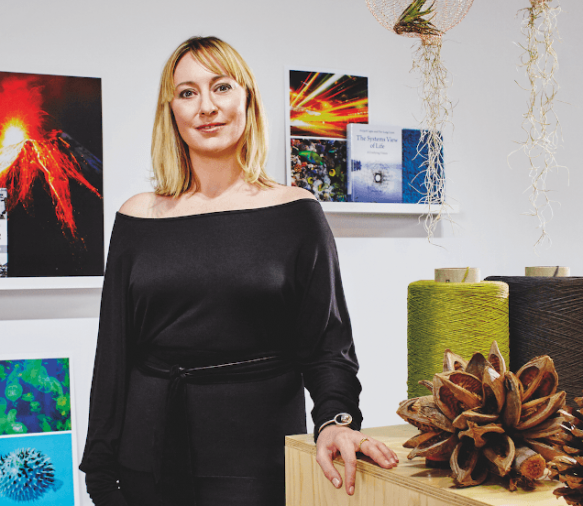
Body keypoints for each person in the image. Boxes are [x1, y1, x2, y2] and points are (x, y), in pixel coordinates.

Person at [80, 36, 397, 506]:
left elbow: (328, 344)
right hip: (148, 455)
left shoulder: (296, 211)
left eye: (221, 87)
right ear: (171, 111)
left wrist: (336, 419)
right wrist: (100, 466)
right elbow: (114, 353)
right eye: (187, 93)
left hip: (258, 457)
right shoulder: (138, 215)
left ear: (247, 99)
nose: (206, 106)